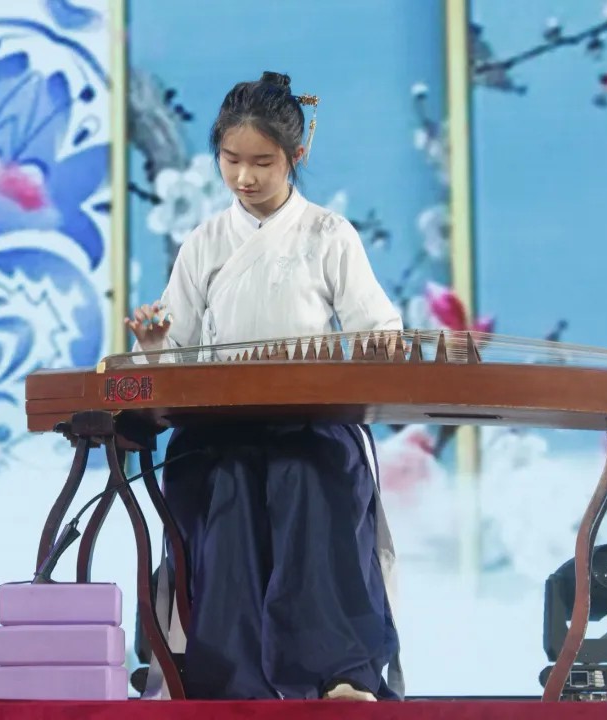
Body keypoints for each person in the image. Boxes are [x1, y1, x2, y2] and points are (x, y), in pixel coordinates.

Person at [125, 71, 403, 701]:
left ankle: (340, 676)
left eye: (262, 163)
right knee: (222, 494)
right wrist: (155, 343)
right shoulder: (205, 241)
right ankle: (229, 686)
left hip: (311, 424)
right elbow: (174, 352)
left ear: (296, 155)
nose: (244, 177)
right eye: (231, 160)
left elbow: (376, 327)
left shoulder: (328, 234)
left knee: (313, 485)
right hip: (220, 429)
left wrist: (379, 344)